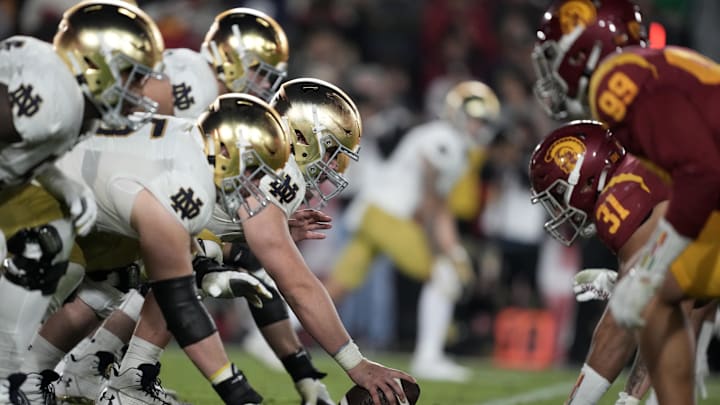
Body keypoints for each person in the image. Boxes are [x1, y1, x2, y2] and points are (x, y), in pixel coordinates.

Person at [532, 1, 720, 402]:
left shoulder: (617, 86)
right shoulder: (655, 72)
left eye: (554, 52)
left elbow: (702, 175)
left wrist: (644, 275)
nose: (549, 69)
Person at [0, 0, 165, 402]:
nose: (139, 90)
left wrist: (63, 186)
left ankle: (8, 379)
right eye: (133, 76)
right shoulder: (54, 97)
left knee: (50, 244)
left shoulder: (79, 108)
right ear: (98, 63)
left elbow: (20, 152)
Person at [528, 120, 718, 405]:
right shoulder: (641, 171)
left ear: (588, 178)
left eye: (557, 195)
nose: (559, 210)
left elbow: (619, 329)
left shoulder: (619, 200)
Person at [324, 80, 500, 382]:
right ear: (457, 114)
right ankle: (428, 356)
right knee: (443, 275)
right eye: (474, 118)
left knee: (337, 286)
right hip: (387, 215)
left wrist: (452, 248)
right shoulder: (445, 139)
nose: (477, 126)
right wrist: (443, 251)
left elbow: (439, 205)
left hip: (374, 212)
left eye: (482, 121)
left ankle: (265, 339)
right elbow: (433, 201)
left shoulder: (449, 142)